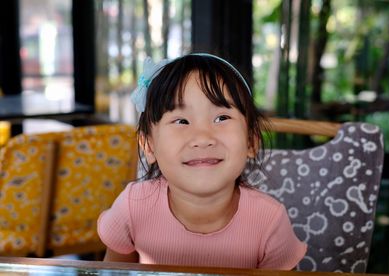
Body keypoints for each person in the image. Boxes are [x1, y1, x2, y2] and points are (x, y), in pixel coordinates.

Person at [97, 53, 307, 269]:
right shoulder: (131, 208)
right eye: (181, 121)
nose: (203, 138)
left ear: (252, 141)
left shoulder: (269, 220)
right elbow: (113, 272)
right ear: (149, 146)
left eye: (221, 118)